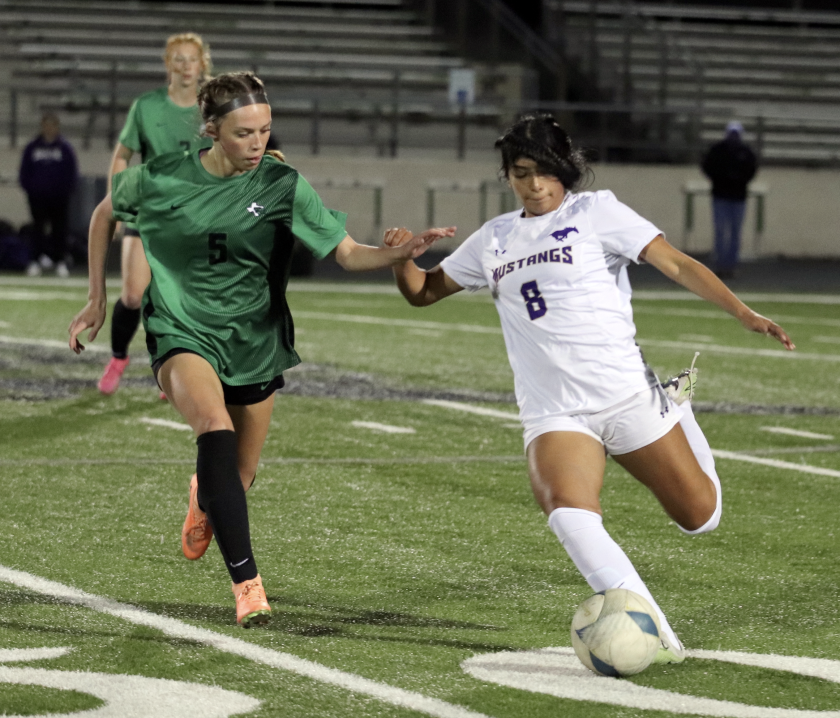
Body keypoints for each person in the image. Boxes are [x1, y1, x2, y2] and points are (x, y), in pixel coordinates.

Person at [385, 114, 793, 663]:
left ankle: (680, 410)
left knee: (701, 516)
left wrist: (744, 314)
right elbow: (424, 293)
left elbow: (673, 262)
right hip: (554, 411)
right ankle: (655, 635)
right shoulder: (494, 238)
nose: (535, 185)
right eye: (522, 173)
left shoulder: (596, 212)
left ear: (566, 170)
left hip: (625, 395)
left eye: (545, 172)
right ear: (507, 176)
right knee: (567, 509)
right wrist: (402, 260)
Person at [68, 71, 454, 627]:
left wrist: (398, 255)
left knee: (239, 475)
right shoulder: (164, 177)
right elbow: (105, 212)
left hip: (255, 338)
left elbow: (344, 254)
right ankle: (248, 585)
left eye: (265, 131)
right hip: (182, 330)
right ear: (212, 131)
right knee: (213, 429)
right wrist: (97, 299)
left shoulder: (281, 184)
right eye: (244, 132)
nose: (257, 143)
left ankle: (206, 494)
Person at [97, 32, 213, 395]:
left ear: (202, 64)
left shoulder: (213, 107)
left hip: (194, 217)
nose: (184, 66)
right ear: (167, 64)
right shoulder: (146, 106)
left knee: (178, 299)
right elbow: (121, 155)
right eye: (176, 59)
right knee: (133, 294)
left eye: (190, 59)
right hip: (147, 210)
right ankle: (118, 357)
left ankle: (173, 366)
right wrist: (116, 200)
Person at [18, 112, 79, 278]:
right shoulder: (32, 147)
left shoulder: (64, 148)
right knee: (38, 229)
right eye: (46, 125)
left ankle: (60, 261)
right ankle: (35, 261)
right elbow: (24, 171)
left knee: (60, 229)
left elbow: (71, 172)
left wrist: (66, 190)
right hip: (37, 197)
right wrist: (31, 188)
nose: (49, 129)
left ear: (57, 127)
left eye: (53, 125)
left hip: (59, 197)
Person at [701, 121, 758, 279]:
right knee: (721, 232)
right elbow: (707, 167)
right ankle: (721, 264)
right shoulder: (718, 151)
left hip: (737, 197)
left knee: (734, 233)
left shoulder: (745, 152)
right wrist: (722, 180)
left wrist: (738, 180)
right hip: (721, 196)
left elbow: (751, 170)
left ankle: (731, 265)